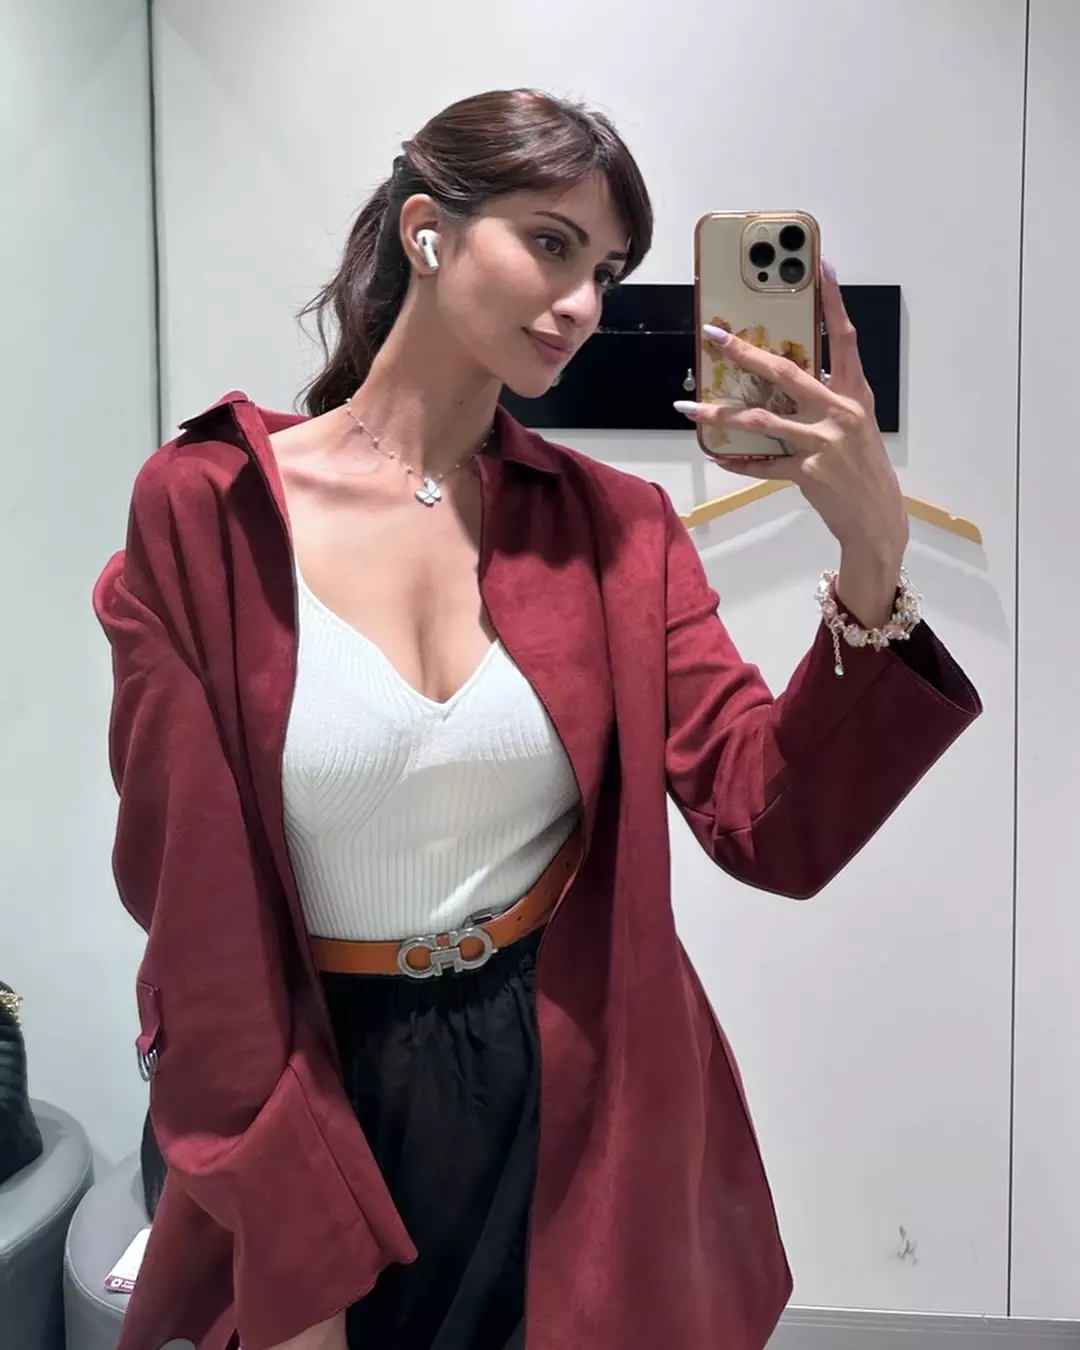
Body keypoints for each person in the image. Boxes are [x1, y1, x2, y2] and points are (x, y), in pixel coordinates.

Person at [93, 88, 980, 1350]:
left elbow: (766, 823)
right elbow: (194, 913)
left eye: (606, 270)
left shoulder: (616, 530)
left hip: (559, 1088)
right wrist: (290, 1262)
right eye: (551, 243)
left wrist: (875, 561)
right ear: (426, 229)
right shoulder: (210, 512)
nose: (582, 303)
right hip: (303, 1084)